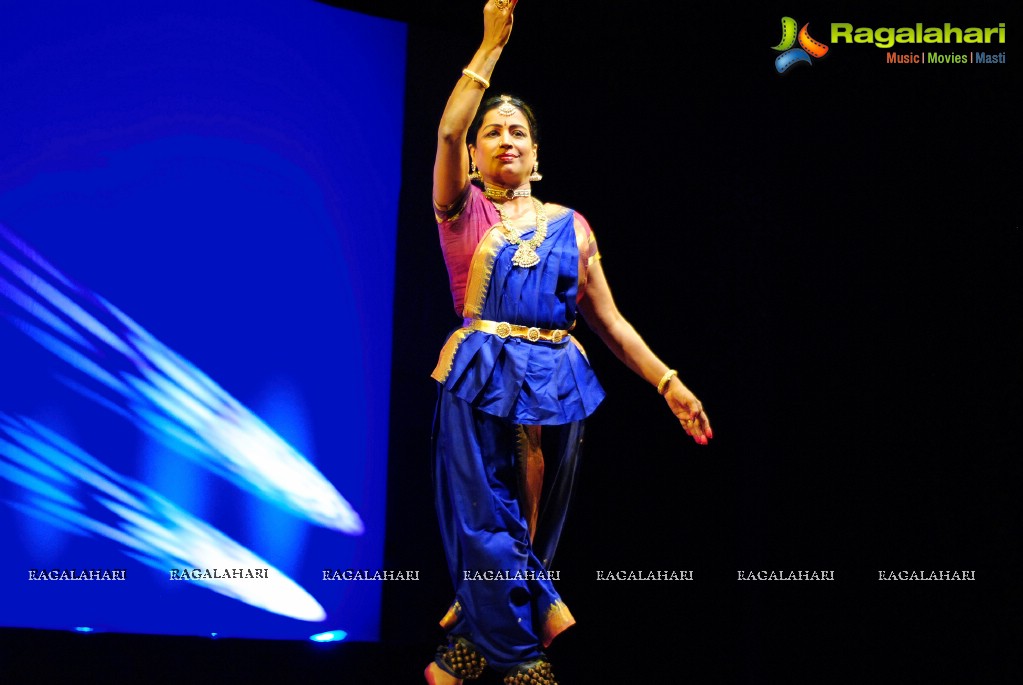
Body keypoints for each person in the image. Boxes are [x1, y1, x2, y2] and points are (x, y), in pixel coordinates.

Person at [424, 2, 712, 683]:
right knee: (484, 519)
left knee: (530, 527)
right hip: (478, 377)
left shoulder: (571, 227)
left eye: (517, 131)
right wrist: (490, 44)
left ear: (536, 153)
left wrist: (669, 382)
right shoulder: (462, 207)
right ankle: (525, 657)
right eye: (490, 132)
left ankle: (462, 653)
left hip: (554, 387)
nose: (504, 140)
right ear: (473, 154)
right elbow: (444, 130)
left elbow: (610, 323)